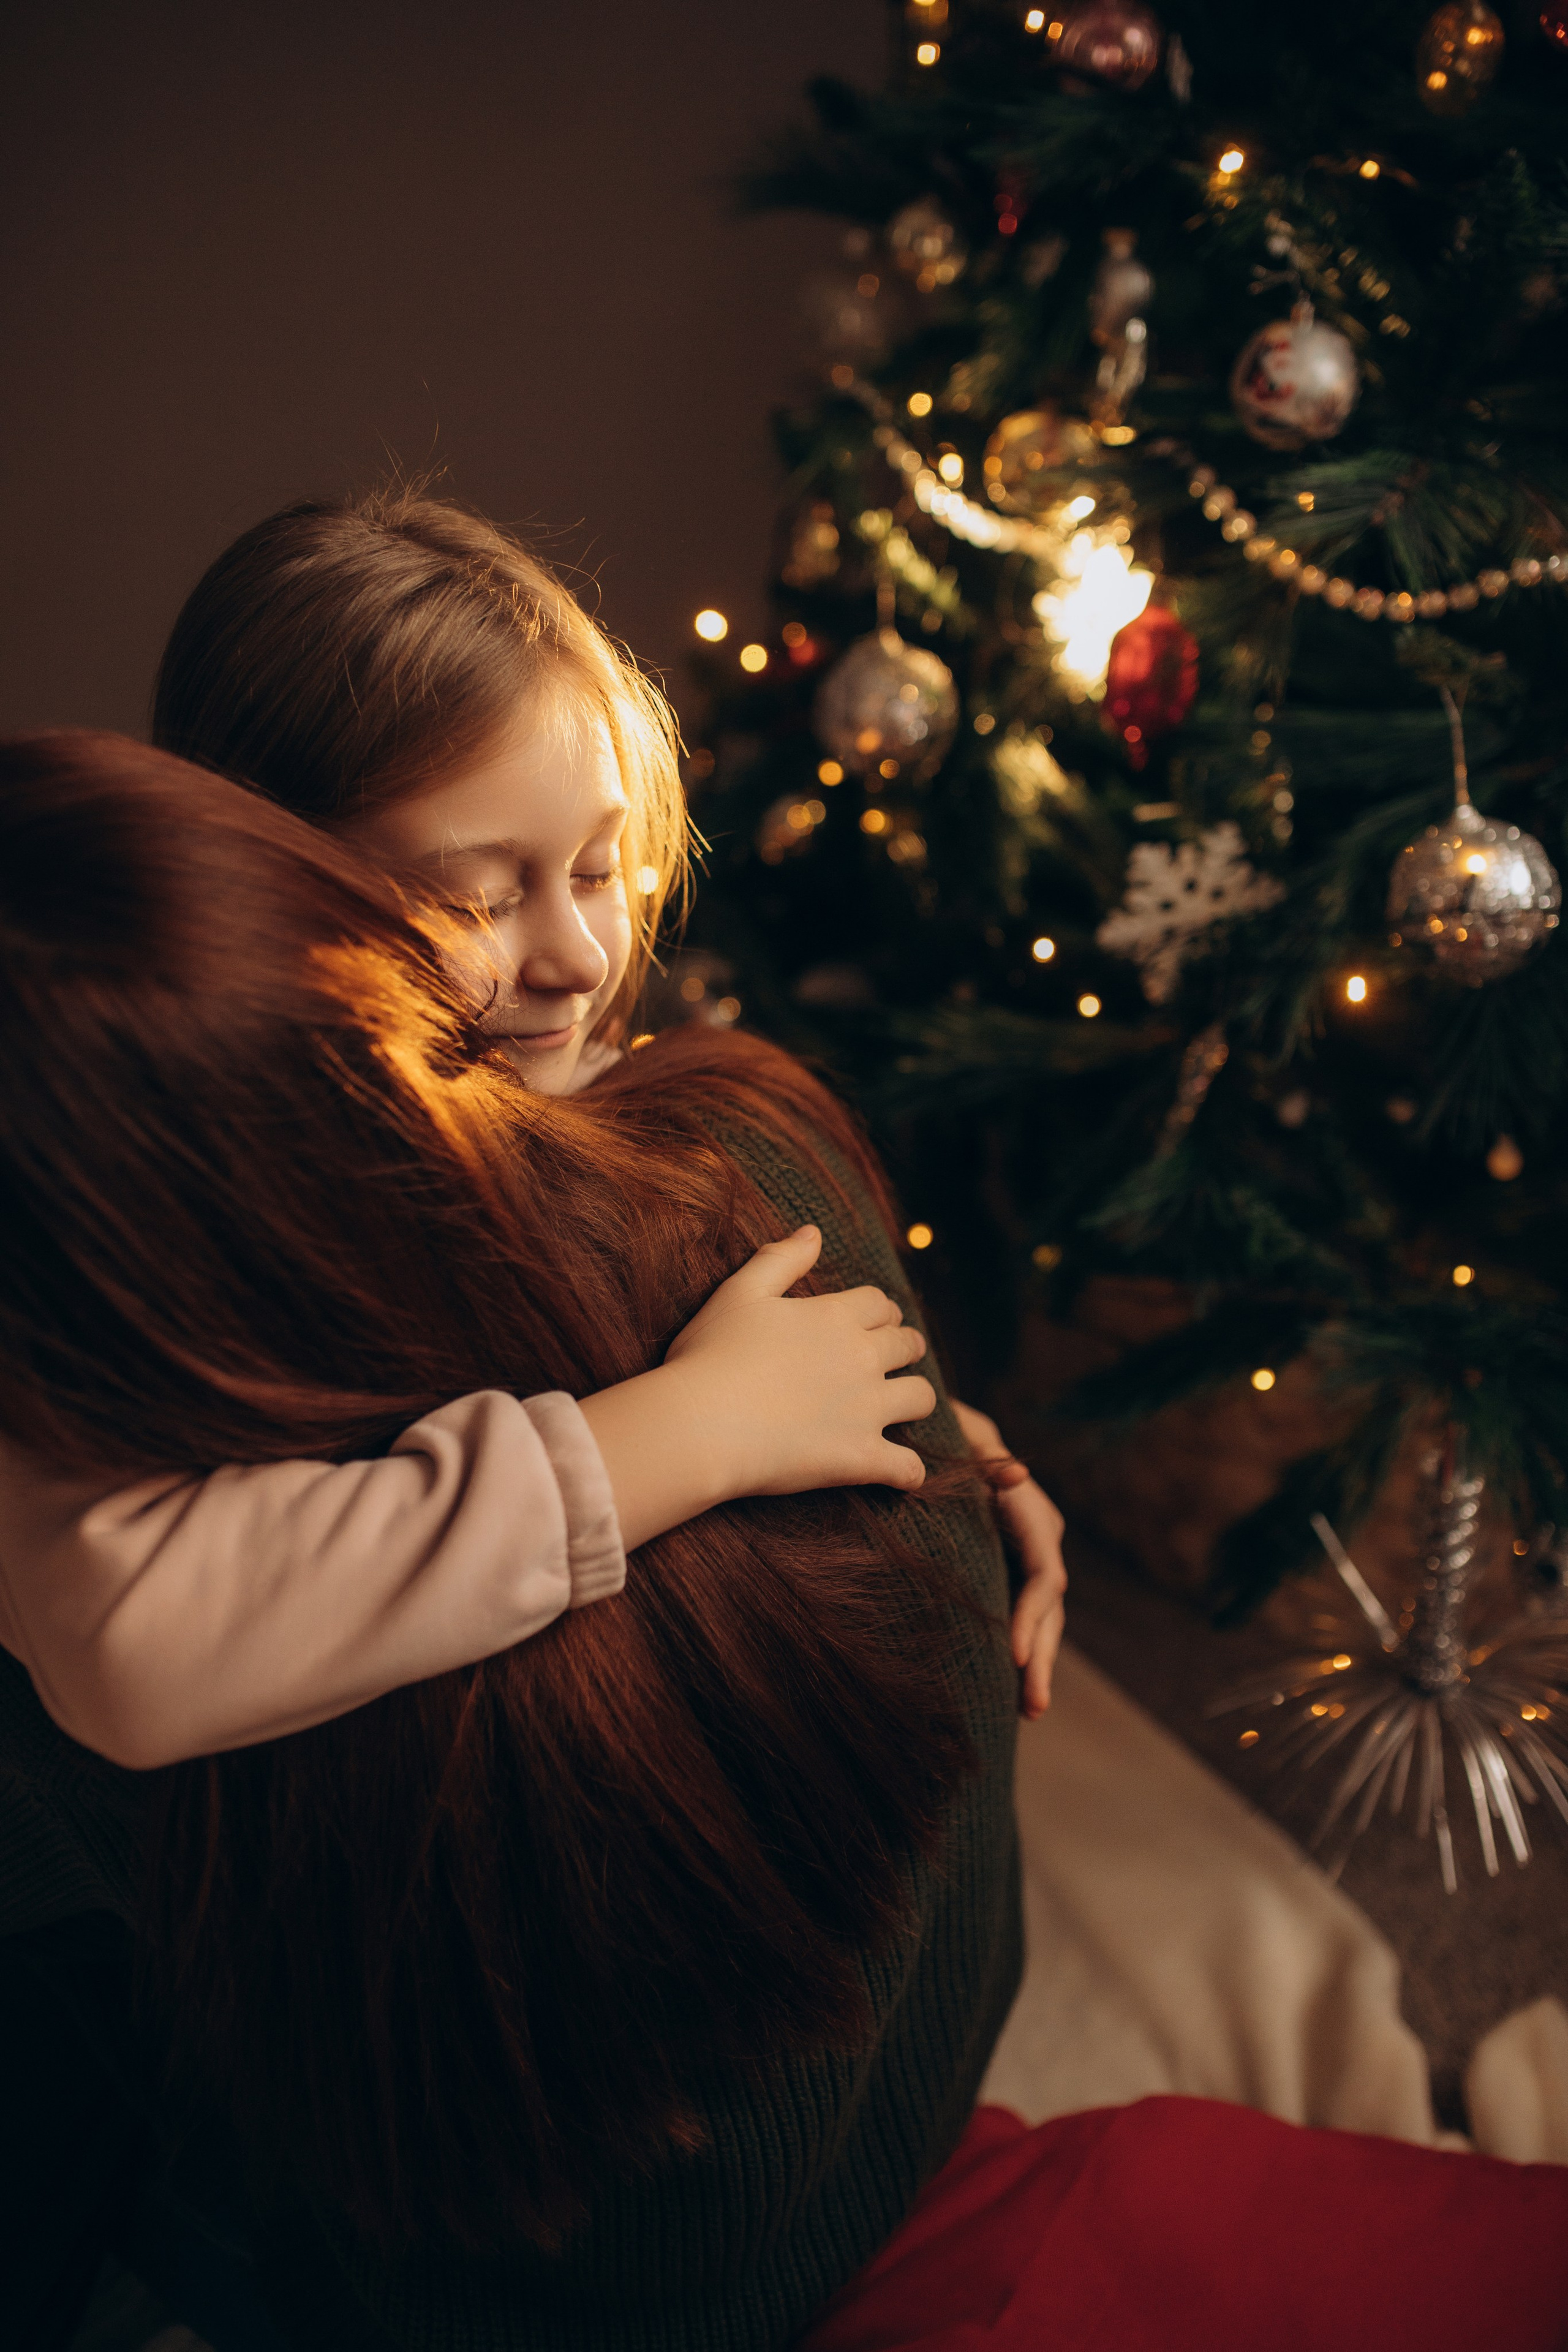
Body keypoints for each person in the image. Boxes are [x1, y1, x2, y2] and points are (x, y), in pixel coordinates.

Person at [0, 729, 1024, 2347]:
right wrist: (727, 1431)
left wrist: (920, 1436)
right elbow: (131, 1641)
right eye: (466, 902)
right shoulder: (756, 1129)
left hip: (586, 2272)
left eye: (607, 867)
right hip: (817, 2138)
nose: (582, 960)